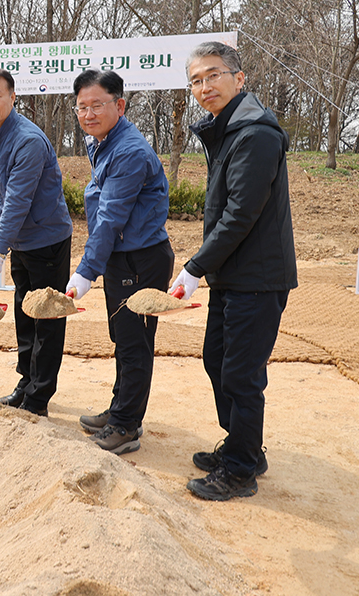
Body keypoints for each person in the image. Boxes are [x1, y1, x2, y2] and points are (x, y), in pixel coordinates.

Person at [172, 41, 297, 500]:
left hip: (257, 278)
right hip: (232, 274)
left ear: (239, 79)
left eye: (213, 75)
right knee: (217, 361)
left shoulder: (255, 133)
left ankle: (241, 470)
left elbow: (241, 212)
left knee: (242, 375)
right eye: (196, 80)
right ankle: (245, 445)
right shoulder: (227, 131)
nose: (205, 87)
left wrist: (194, 268)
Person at [67, 70, 173, 454]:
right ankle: (120, 409)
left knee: (134, 343)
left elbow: (111, 217)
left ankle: (127, 425)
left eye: (97, 104)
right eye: (82, 106)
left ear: (120, 105)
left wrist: (84, 273)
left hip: (139, 259)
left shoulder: (128, 151)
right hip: (120, 256)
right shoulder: (103, 142)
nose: (89, 113)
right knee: (123, 338)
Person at [0, 67, 73, 415]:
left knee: (45, 316)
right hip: (22, 241)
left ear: (13, 97)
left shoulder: (27, 140)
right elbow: (4, 194)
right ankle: (25, 381)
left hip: (46, 239)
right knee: (23, 312)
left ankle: (39, 396)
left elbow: (18, 200)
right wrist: (2, 228)